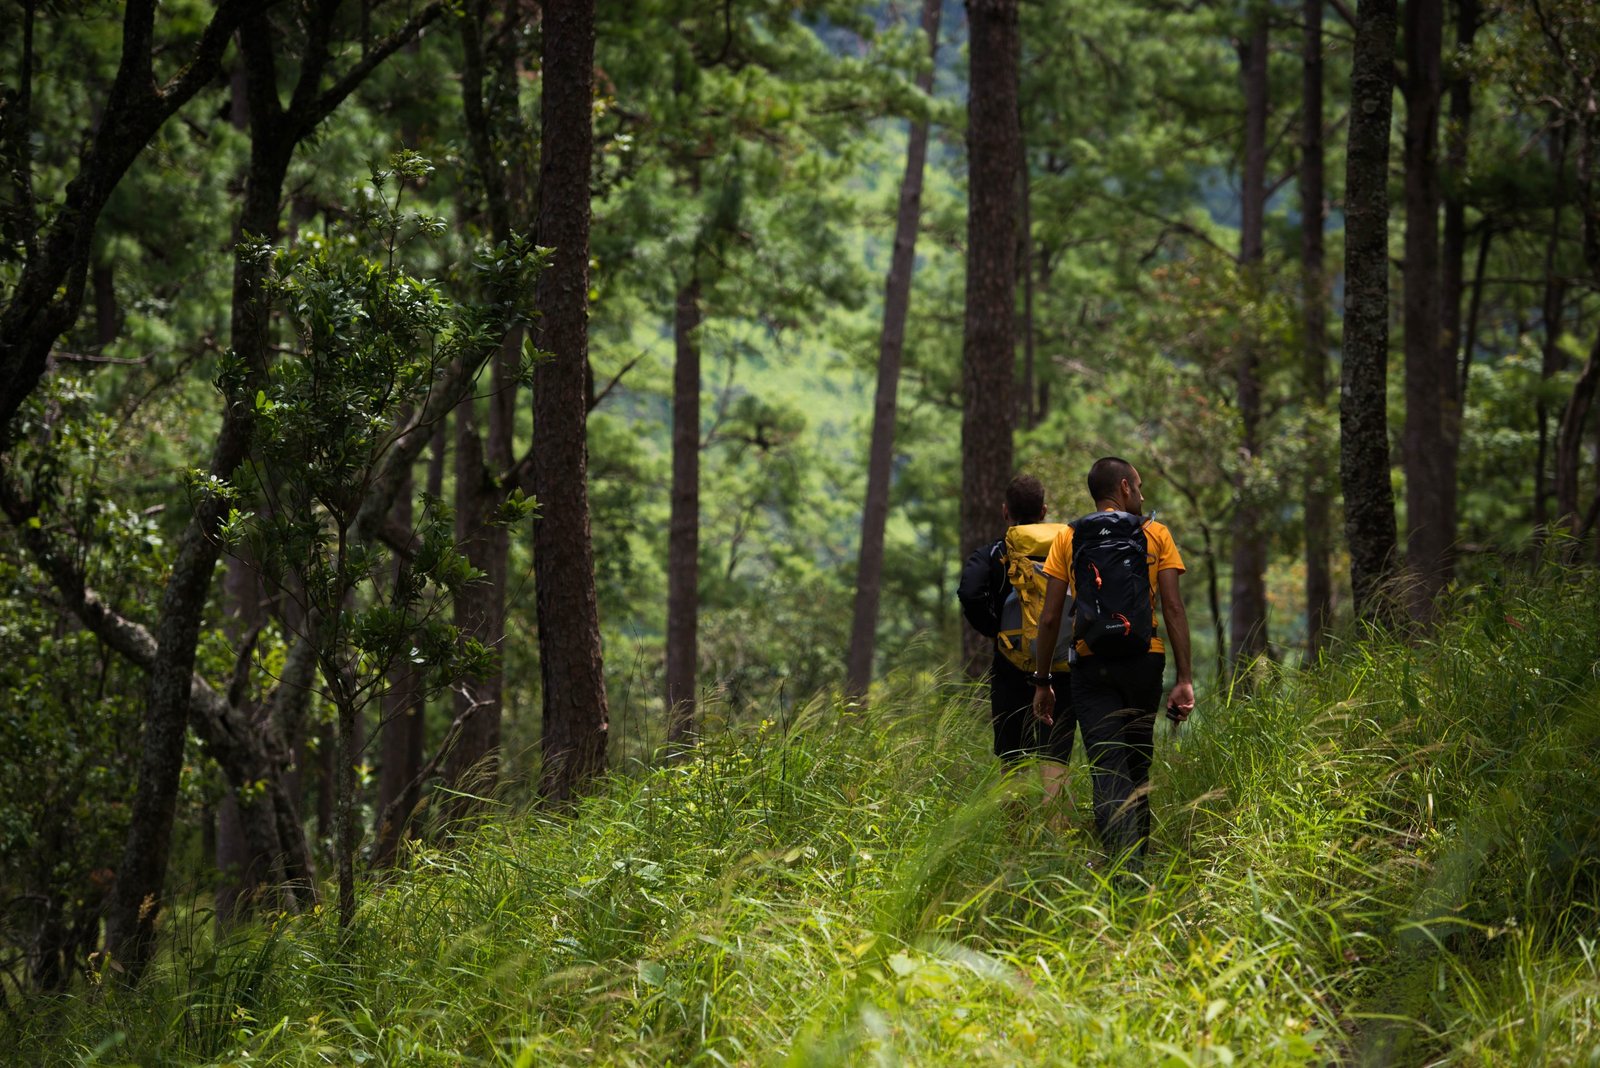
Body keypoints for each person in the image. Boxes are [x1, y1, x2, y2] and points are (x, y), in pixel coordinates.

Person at [1030, 457, 1195, 866]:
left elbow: (1050, 617)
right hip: (1145, 662)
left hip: (1092, 665)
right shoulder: (1156, 534)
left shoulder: (1068, 537)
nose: (1141, 494)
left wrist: (1043, 679)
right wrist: (1185, 678)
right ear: (1123, 487)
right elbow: (1173, 609)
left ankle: (1121, 871)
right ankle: (1137, 870)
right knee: (1139, 767)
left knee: (1107, 768)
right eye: (1138, 486)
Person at [957, 474, 1076, 812]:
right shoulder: (1067, 549)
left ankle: (1015, 846)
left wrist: (997, 630)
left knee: (1014, 757)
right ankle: (1057, 839)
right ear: (1044, 510)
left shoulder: (994, 554)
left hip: (1011, 669)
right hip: (1060, 667)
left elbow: (969, 592)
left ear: (1005, 511)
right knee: (1056, 756)